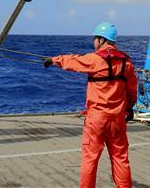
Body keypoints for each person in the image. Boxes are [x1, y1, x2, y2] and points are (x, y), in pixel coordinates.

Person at [44, 22, 137, 188]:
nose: (94, 42)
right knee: (120, 159)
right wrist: (129, 108)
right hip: (117, 120)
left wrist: (53, 60)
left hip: (96, 120)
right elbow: (132, 91)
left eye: (95, 38)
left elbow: (73, 61)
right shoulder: (126, 63)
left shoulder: (94, 60)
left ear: (102, 40)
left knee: (90, 160)